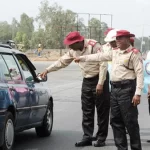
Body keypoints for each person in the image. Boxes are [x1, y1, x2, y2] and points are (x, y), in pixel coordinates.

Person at [74, 30, 143, 150]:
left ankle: (136, 148)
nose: (117, 41)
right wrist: (83, 58)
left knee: (130, 122)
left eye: (120, 38)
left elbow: (140, 74)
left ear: (127, 39)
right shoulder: (114, 52)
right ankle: (121, 148)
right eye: (117, 38)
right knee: (115, 121)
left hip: (127, 89)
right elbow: (99, 56)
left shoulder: (134, 54)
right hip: (115, 90)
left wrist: (137, 93)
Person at [40, 31, 110, 147]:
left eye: (70, 44)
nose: (69, 46)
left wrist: (100, 83)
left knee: (102, 110)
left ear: (78, 42)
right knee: (87, 110)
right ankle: (87, 137)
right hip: (87, 80)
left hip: (100, 78)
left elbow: (103, 63)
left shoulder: (94, 46)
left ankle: (101, 138)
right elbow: (62, 62)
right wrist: (47, 70)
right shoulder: (73, 50)